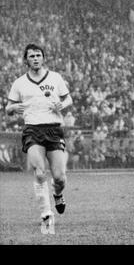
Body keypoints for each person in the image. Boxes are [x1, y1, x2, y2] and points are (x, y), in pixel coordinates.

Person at [5, 44, 73, 232]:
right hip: (32, 130)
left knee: (59, 177)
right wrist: (13, 108)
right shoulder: (19, 83)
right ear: (25, 60)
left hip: (54, 129)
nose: (35, 58)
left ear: (43, 58)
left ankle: (58, 194)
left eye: (38, 55)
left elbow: (69, 99)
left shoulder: (55, 78)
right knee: (40, 172)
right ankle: (46, 214)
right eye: (31, 56)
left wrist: (61, 104)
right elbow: (8, 108)